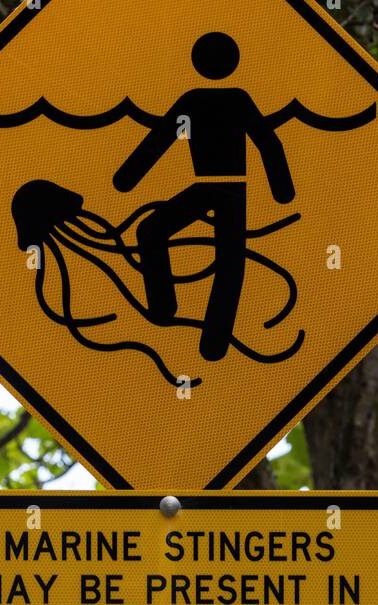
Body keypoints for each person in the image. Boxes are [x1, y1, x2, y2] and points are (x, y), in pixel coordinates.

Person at [113, 32, 296, 361]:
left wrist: (126, 178)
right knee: (220, 259)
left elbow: (158, 141)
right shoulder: (217, 99)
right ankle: (171, 312)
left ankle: (193, 329)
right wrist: (281, 190)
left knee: (177, 241)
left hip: (224, 187)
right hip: (218, 187)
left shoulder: (199, 100)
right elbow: (269, 143)